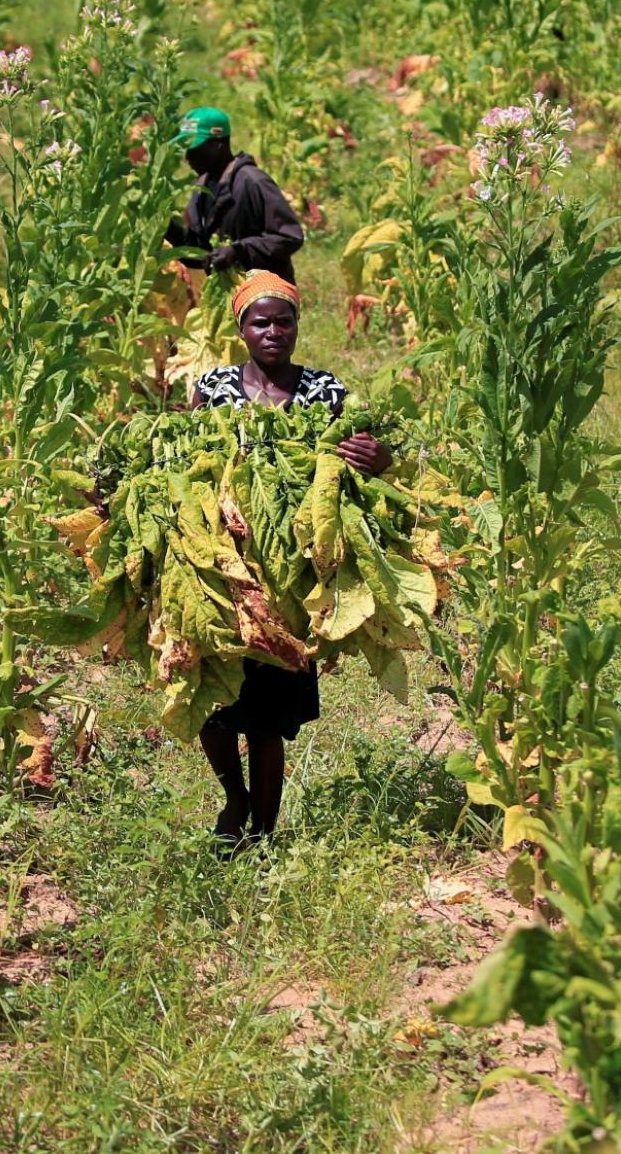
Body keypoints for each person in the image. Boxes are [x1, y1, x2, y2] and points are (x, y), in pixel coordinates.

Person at [191, 269, 391, 848]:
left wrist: (375, 458)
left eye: (284, 321)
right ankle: (234, 796)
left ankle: (263, 833)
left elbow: (367, 458)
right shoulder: (214, 388)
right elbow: (181, 455)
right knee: (213, 693)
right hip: (225, 562)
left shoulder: (325, 392)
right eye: (261, 322)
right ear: (241, 329)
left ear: (298, 326)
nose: (273, 331)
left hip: (294, 571)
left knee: (268, 712)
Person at [167, 107, 305, 283]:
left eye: (195, 148)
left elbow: (290, 236)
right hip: (229, 295)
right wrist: (167, 227)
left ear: (218, 144)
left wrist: (238, 251)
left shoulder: (253, 182)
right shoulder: (201, 189)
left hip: (266, 294)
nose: (188, 156)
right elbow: (199, 253)